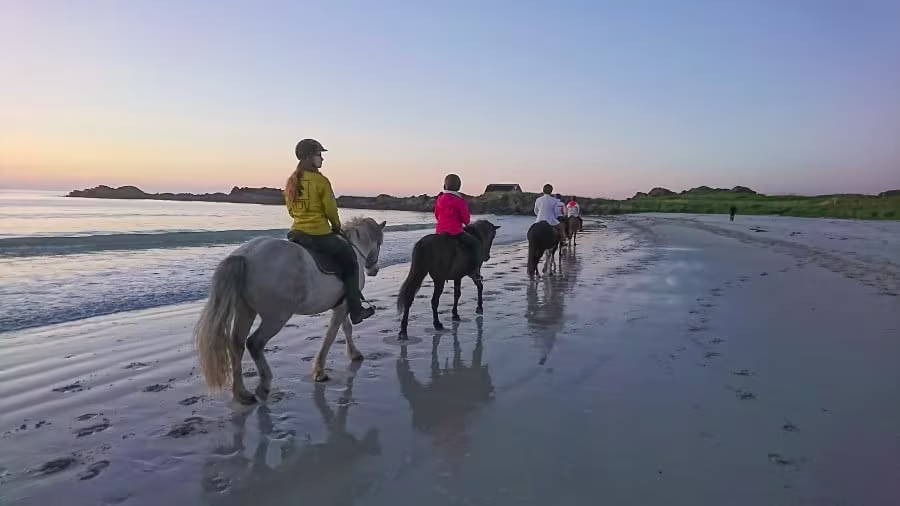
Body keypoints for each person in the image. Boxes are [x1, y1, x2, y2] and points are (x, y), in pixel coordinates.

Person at [283, 138, 374, 324]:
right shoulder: (321, 181)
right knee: (351, 261)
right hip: (318, 234)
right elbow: (331, 209)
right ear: (309, 157)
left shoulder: (291, 181)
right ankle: (356, 310)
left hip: (296, 233)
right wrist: (336, 225)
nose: (322, 159)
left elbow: (291, 210)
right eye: (319, 155)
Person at [434, 174, 483, 281]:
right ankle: (475, 272)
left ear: (444, 186)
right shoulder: (459, 201)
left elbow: (437, 215)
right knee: (476, 245)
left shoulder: (439, 199)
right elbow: (466, 220)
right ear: (459, 187)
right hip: (455, 232)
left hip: (439, 232)